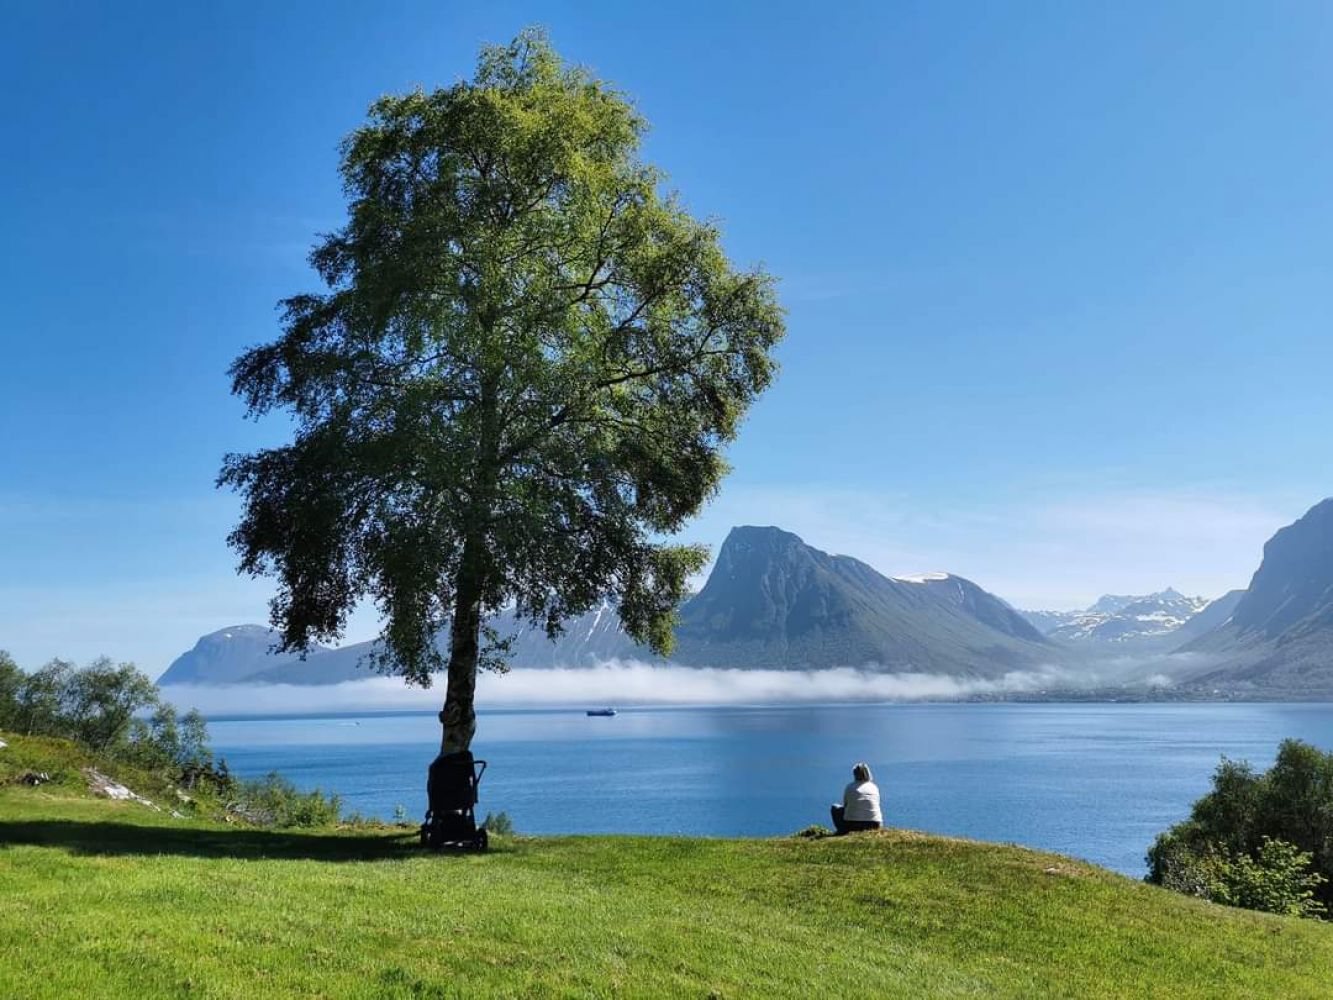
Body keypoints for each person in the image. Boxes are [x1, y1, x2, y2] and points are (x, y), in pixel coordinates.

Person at [830, 762, 882, 834]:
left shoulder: (850, 787)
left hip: (853, 826)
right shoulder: (874, 787)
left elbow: (846, 805)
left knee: (835, 807)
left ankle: (841, 831)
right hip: (875, 825)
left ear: (855, 774)